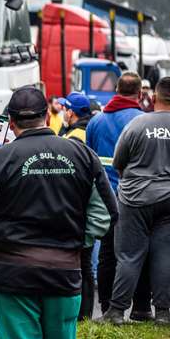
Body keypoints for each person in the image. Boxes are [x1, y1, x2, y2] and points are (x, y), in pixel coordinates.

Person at [0, 87, 115, 339]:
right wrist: (77, 244)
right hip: (64, 276)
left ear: (11, 124)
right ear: (47, 116)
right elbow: (106, 212)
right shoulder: (82, 154)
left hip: (13, 278)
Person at [101, 77, 170, 325]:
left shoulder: (137, 124)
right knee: (165, 255)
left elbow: (118, 163)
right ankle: (163, 313)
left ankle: (116, 312)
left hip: (135, 198)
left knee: (129, 255)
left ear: (154, 98)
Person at [86, 72, 153, 318]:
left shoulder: (96, 122)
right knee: (141, 253)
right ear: (140, 93)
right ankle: (142, 307)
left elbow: (90, 161)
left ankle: (106, 307)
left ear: (116, 89)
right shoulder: (145, 121)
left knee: (107, 255)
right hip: (137, 197)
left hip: (105, 199)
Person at [58, 91, 96, 321]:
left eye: (65, 108)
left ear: (71, 112)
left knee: (80, 265)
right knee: (85, 264)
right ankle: (84, 314)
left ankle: (82, 315)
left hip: (76, 208)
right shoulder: (82, 131)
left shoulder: (75, 137)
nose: (62, 111)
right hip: (84, 208)